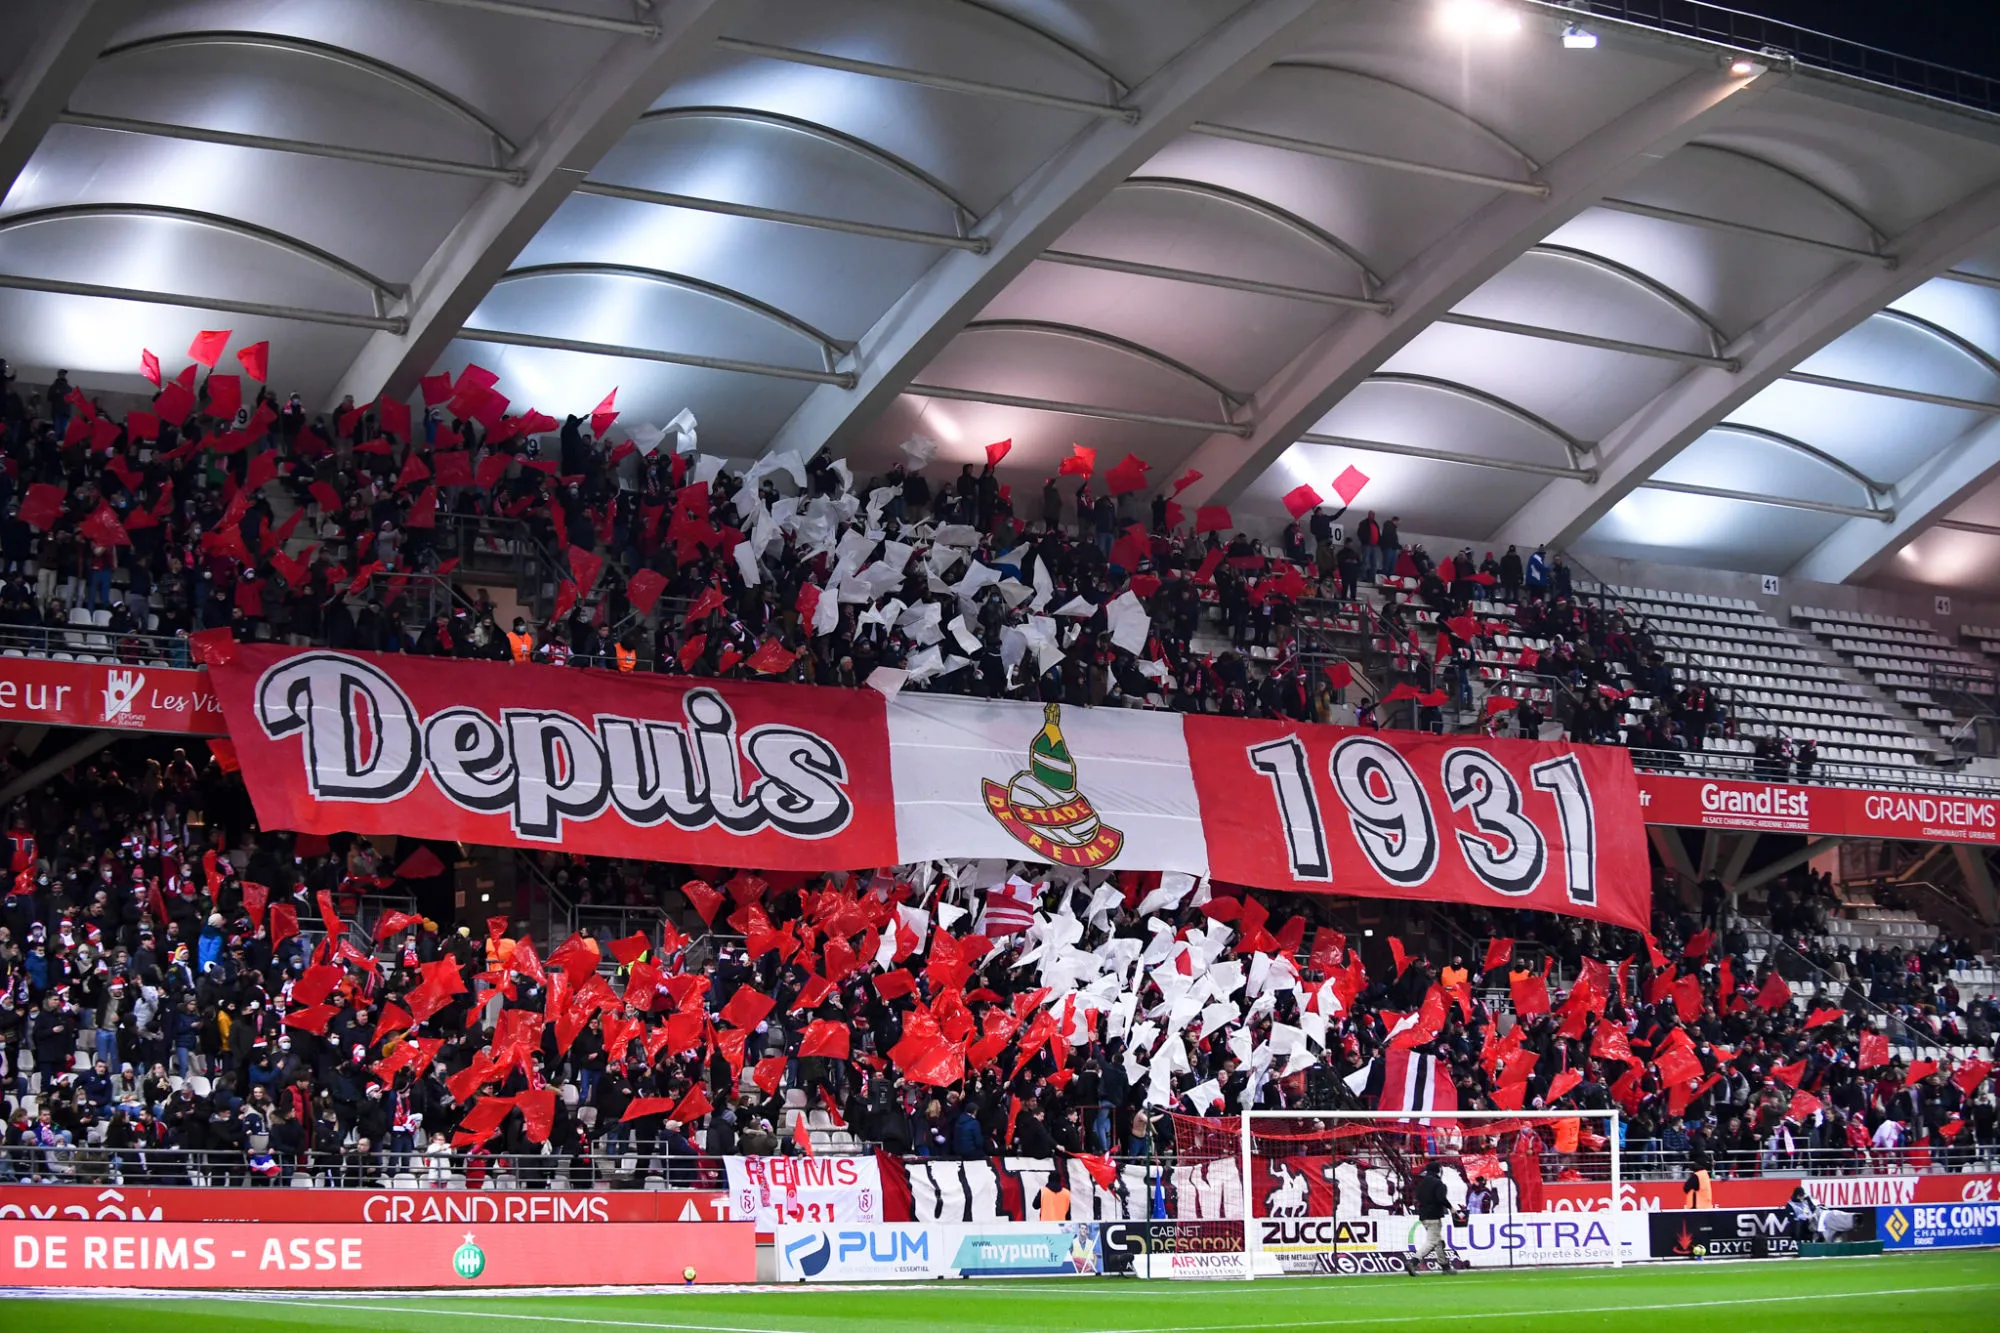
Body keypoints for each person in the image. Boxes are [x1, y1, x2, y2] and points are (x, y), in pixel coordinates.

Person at [1410, 1161, 1455, 1274]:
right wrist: (1451, 1207)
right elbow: (1441, 1198)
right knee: (1432, 1242)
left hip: (1423, 1216)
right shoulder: (1438, 1183)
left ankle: (1445, 1266)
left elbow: (1417, 1197)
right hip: (1434, 1216)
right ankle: (1414, 1261)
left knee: (1437, 1241)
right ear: (1438, 1170)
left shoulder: (1422, 1183)